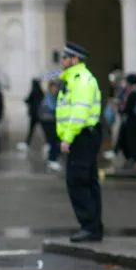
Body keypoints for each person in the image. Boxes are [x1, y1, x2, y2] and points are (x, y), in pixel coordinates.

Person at [57, 42, 103, 243]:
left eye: (65, 58)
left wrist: (68, 138)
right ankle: (93, 227)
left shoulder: (81, 80)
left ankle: (89, 227)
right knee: (88, 181)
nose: (62, 61)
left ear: (74, 60)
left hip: (81, 136)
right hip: (84, 135)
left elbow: (79, 113)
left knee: (78, 182)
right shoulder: (73, 79)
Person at [39, 80, 62, 172]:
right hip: (48, 120)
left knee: (53, 140)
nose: (55, 89)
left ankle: (51, 158)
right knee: (52, 139)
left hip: (51, 120)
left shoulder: (54, 96)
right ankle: (51, 159)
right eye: (54, 87)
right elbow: (52, 107)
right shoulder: (48, 96)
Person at [19, 79, 44, 152]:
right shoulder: (40, 91)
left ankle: (27, 143)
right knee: (43, 129)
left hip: (34, 114)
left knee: (31, 130)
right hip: (39, 113)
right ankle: (48, 143)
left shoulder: (33, 91)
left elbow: (28, 100)